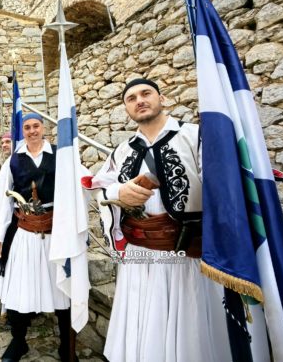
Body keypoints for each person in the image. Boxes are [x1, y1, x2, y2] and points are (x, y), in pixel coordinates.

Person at [93, 78, 229, 362]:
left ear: (162, 98)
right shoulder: (122, 150)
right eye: (131, 98)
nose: (139, 100)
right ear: (126, 109)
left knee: (190, 334)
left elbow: (222, 186)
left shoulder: (195, 136)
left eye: (146, 93)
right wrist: (119, 192)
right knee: (142, 329)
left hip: (186, 255)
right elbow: (100, 186)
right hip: (139, 256)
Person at [0, 113, 75, 362]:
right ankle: (19, 341)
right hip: (24, 233)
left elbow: (79, 185)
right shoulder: (14, 160)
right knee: (19, 289)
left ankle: (66, 346)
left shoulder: (61, 155)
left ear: (43, 128)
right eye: (27, 127)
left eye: (36, 126)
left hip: (55, 234)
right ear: (23, 131)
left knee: (63, 289)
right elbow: (0, 200)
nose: (32, 130)